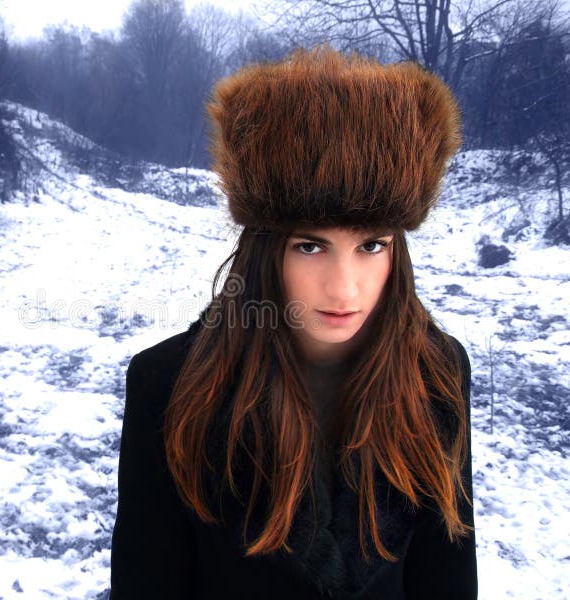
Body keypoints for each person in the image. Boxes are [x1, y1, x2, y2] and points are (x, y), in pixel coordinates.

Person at [109, 43, 477, 599]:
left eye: (372, 245)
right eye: (310, 246)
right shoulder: (169, 385)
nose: (345, 287)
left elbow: (447, 573)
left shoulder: (437, 374)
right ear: (265, 251)